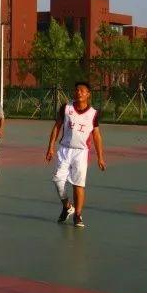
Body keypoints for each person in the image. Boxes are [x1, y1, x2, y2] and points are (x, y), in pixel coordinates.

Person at [45, 82, 106, 228]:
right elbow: (57, 127)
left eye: (82, 90)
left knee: (78, 184)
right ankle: (67, 206)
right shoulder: (66, 108)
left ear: (88, 94)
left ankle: (78, 215)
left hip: (81, 152)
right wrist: (51, 147)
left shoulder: (93, 113)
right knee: (58, 180)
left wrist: (100, 157)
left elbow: (96, 135)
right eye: (77, 90)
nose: (79, 92)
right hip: (64, 150)